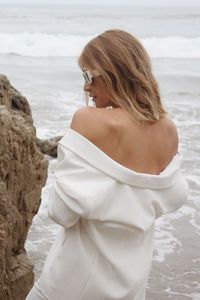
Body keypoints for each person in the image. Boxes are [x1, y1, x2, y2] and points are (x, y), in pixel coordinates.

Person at [26, 29, 188, 300]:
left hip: (72, 284)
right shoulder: (168, 130)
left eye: (89, 76)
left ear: (114, 73)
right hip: (132, 285)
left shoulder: (88, 120)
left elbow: (61, 212)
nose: (86, 87)